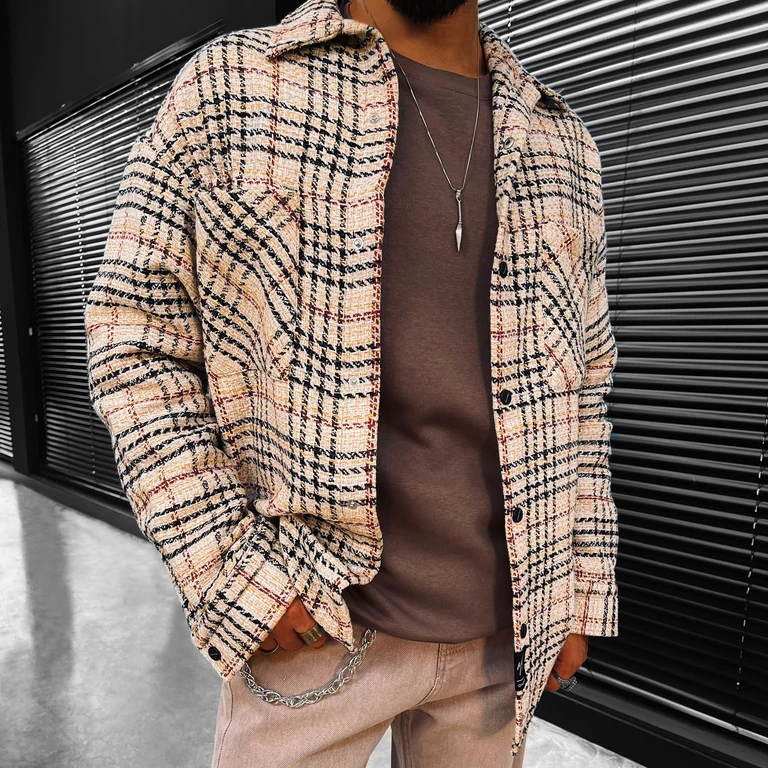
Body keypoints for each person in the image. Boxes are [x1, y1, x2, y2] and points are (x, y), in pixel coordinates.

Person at [84, 0, 619, 765]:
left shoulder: (562, 141)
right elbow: (134, 336)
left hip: (501, 641)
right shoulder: (235, 85)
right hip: (313, 624)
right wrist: (225, 563)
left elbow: (586, 381)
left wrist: (579, 585)